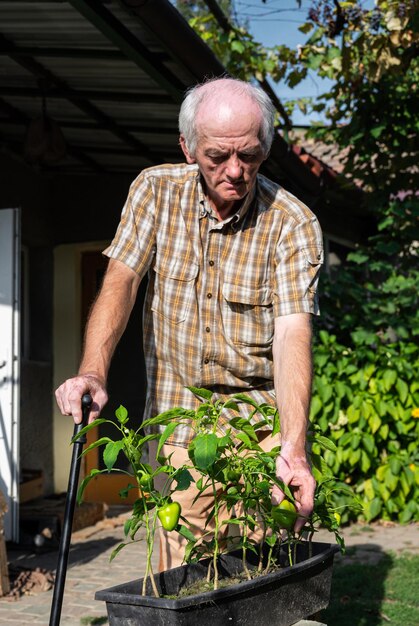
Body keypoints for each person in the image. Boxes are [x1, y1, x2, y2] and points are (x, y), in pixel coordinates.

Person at [55, 77, 323, 571]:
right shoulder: (155, 192)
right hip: (178, 417)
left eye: (250, 155)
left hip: (258, 426)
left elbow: (291, 334)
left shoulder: (291, 222)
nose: (235, 171)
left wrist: (293, 446)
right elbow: (122, 281)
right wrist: (93, 371)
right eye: (218, 156)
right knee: (178, 575)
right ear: (187, 147)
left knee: (253, 573)